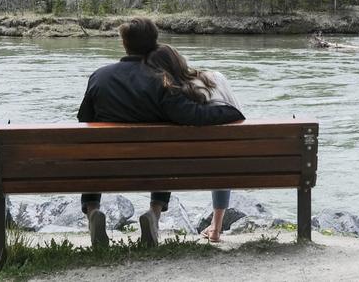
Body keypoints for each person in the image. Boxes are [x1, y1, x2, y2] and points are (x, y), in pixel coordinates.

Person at [76, 17, 243, 249]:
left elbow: (84, 119)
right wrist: (229, 112)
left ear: (124, 43)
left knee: (92, 149)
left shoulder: (99, 76)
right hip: (154, 165)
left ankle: (93, 209)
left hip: (106, 165)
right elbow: (192, 116)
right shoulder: (163, 81)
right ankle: (154, 213)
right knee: (165, 151)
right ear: (154, 43)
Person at [145, 44, 241, 243]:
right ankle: (216, 227)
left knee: (165, 154)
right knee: (222, 152)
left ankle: (154, 213)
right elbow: (239, 115)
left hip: (182, 167)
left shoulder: (170, 92)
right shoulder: (216, 77)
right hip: (231, 161)